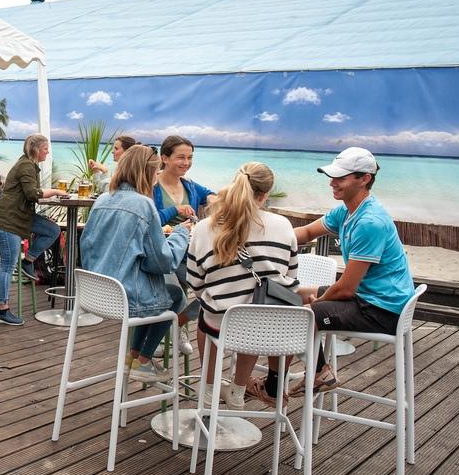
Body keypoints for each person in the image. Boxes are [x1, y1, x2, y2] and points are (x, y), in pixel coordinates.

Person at [284, 147, 414, 398]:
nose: (332, 183)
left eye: (341, 178)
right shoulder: (346, 210)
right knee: (291, 294)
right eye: (332, 177)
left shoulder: (369, 222)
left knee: (301, 316)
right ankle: (320, 369)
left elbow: (345, 289)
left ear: (364, 179)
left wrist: (320, 302)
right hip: (367, 296)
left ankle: (276, 383)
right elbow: (307, 233)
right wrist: (269, 238)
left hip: (381, 310)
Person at [187, 162, 302, 409]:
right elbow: (290, 278)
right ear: (265, 195)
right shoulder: (283, 226)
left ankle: (208, 391)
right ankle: (238, 391)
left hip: (222, 324)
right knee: (254, 311)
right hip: (269, 328)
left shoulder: (204, 227)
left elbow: (195, 283)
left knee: (210, 312)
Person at [81, 145, 191, 381]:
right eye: (156, 172)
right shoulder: (143, 204)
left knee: (159, 293)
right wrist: (182, 233)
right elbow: (163, 263)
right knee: (177, 296)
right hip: (125, 297)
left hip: (96, 293)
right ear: (147, 172)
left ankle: (133, 356)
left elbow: (88, 245)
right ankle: (142, 361)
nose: (157, 178)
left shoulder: (102, 199)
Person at [153, 134, 217, 358]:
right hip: (162, 252)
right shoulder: (152, 185)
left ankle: (177, 325)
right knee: (177, 292)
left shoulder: (190, 186)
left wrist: (211, 200)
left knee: (213, 291)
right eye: (180, 157)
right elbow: (148, 220)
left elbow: (210, 195)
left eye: (190, 157)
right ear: (164, 158)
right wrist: (175, 211)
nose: (186, 163)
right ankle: (159, 333)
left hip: (189, 252)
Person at [0, 133, 63, 326]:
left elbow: (31, 194)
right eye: (46, 148)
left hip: (22, 217)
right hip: (9, 220)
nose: (48, 152)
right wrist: (56, 191)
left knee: (52, 230)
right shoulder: (26, 166)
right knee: (7, 265)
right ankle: (2, 311)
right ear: (36, 149)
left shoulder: (29, 165)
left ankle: (29, 260)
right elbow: (32, 194)